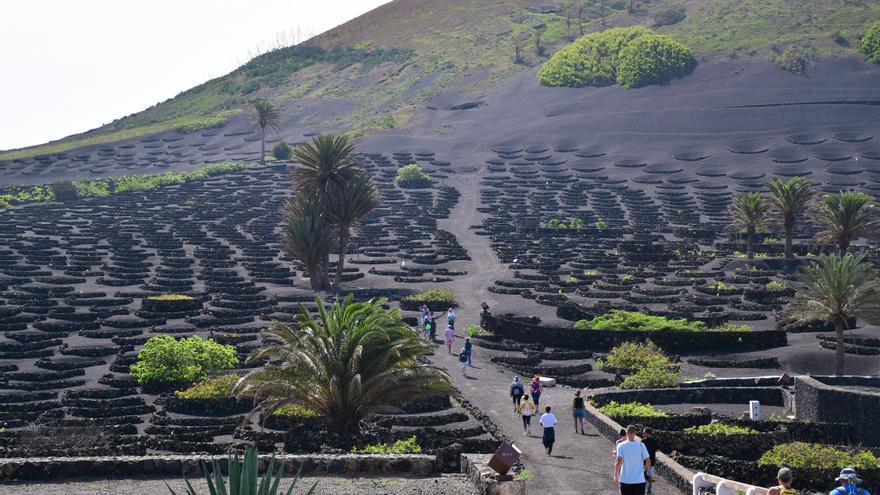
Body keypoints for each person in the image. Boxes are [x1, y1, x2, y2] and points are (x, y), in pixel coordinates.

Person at [614, 425, 650, 495]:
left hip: (625, 480)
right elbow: (648, 460)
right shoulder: (641, 445)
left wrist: (616, 476)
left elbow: (618, 461)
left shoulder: (621, 445)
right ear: (635, 434)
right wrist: (644, 470)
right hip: (639, 481)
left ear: (626, 433)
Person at [641, 428, 659, 494]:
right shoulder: (654, 441)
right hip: (652, 461)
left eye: (644, 432)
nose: (643, 434)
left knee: (644, 475)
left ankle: (644, 488)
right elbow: (657, 450)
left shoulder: (643, 441)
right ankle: (649, 488)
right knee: (650, 475)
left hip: (644, 461)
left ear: (647, 433)